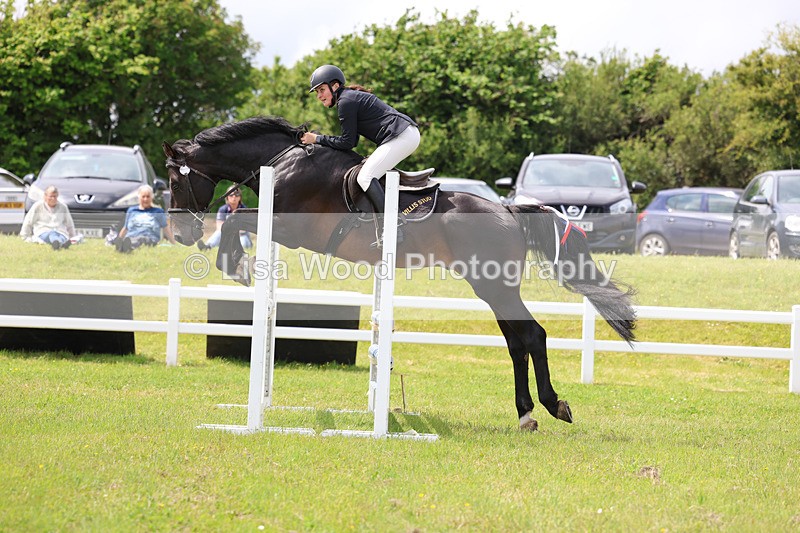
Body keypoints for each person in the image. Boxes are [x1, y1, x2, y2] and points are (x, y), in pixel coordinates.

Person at [300, 64, 419, 243]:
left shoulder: (346, 102)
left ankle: (393, 227)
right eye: (317, 92)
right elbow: (352, 141)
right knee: (369, 172)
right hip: (402, 135)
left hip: (402, 135)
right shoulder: (348, 98)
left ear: (335, 86)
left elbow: (348, 142)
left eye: (322, 90)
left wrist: (316, 139)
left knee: (364, 177)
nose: (319, 96)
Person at [115, 185, 177, 253]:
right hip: (131, 237)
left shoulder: (158, 211)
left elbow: (166, 228)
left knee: (141, 239)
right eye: (143, 196)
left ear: (152, 198)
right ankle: (122, 245)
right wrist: (119, 239)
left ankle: (128, 247)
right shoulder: (131, 210)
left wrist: (174, 243)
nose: (145, 199)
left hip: (149, 238)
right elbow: (125, 228)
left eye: (148, 196)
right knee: (131, 239)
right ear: (139, 198)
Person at [19, 185, 76, 250]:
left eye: (55, 196)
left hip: (60, 232)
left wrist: (73, 237)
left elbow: (69, 224)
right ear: (45, 196)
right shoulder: (37, 206)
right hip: (43, 232)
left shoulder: (63, 207)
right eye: (51, 196)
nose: (53, 199)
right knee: (52, 234)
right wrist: (25, 236)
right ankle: (59, 243)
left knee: (62, 236)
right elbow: (28, 221)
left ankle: (59, 243)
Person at [197, 185, 253, 250]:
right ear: (227, 197)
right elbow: (219, 226)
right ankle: (207, 247)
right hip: (226, 235)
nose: (234, 197)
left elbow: (245, 228)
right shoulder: (222, 209)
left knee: (243, 242)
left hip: (241, 235)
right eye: (231, 195)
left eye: (237, 195)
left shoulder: (244, 210)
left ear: (240, 197)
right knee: (219, 232)